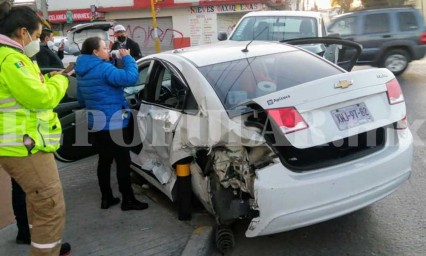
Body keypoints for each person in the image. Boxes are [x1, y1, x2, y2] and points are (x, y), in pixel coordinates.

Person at [0, 3, 71, 256]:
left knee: (37, 202)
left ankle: (42, 243)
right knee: (50, 205)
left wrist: (48, 80)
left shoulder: (11, 57)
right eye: (38, 35)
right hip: (25, 145)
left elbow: (27, 93)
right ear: (22, 32)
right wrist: (61, 80)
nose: (39, 41)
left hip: (20, 144)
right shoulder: (11, 59)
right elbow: (41, 99)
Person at [75, 36, 148, 211]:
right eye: (104, 48)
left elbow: (81, 99)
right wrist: (127, 58)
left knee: (104, 161)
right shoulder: (104, 68)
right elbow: (130, 78)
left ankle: (106, 198)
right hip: (113, 122)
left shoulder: (81, 71)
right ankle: (128, 200)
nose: (108, 51)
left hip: (96, 122)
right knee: (123, 162)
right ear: (95, 52)